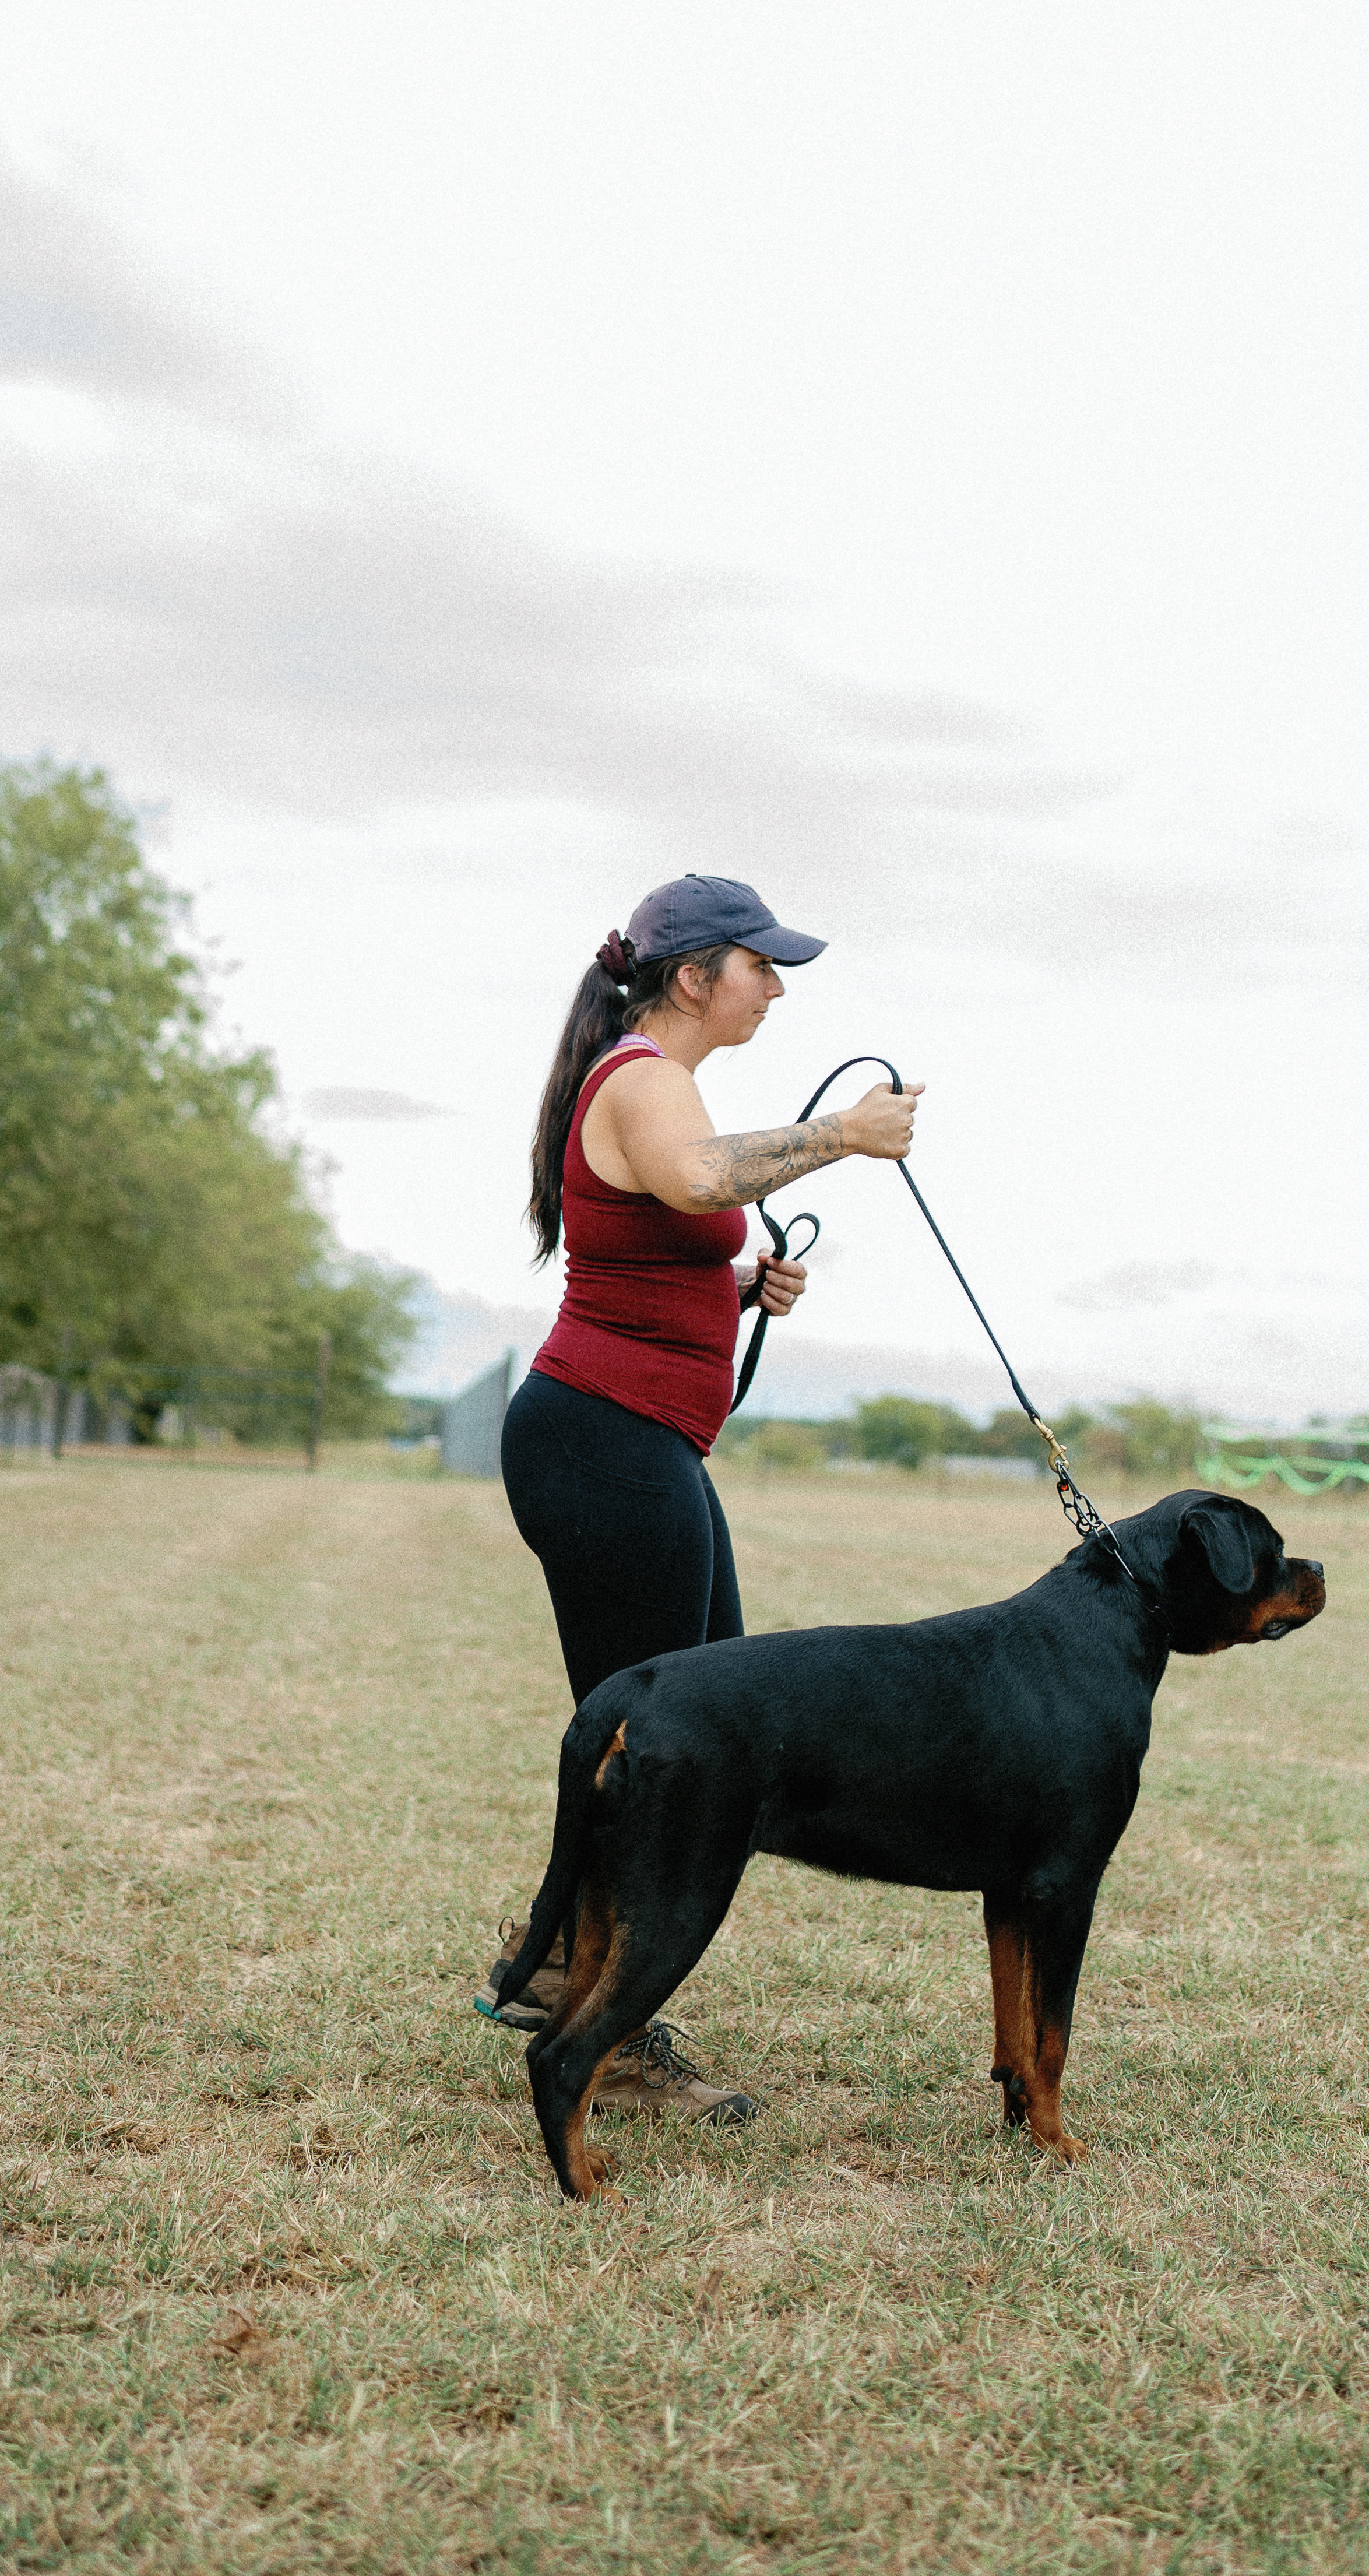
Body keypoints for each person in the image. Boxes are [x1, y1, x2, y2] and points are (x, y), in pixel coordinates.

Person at [476, 872, 921, 2128]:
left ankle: (557, 1968)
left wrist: (733, 1298)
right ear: (693, 978)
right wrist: (844, 1135)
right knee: (667, 1752)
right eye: (760, 967)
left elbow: (652, 1241)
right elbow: (691, 1181)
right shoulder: (644, 1080)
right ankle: (592, 2025)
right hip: (604, 1443)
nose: (776, 989)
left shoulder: (646, 1080)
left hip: (630, 1437)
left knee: (692, 1723)